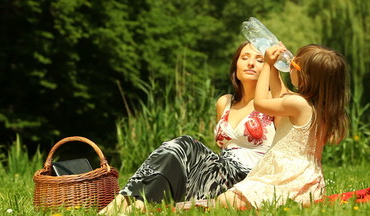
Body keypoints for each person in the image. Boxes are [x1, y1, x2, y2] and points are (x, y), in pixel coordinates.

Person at [99, 41, 277, 214]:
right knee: (172, 152)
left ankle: (135, 207)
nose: (251, 63)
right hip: (219, 175)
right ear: (236, 65)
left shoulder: (275, 101)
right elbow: (223, 149)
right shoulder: (225, 102)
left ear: (268, 66)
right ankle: (121, 203)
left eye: (260, 60)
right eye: (244, 57)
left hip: (247, 179)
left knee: (186, 143)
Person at [217, 43, 349, 210]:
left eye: (294, 64)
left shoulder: (298, 103)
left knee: (224, 201)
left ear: (306, 75)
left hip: (288, 179)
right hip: (305, 180)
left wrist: (267, 65)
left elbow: (260, 103)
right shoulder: (316, 107)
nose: (290, 65)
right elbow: (280, 93)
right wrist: (274, 69)